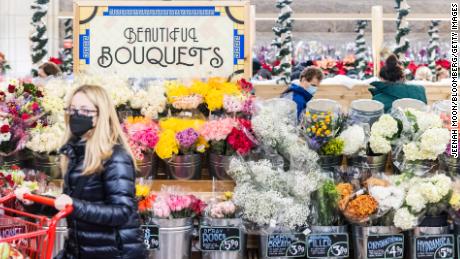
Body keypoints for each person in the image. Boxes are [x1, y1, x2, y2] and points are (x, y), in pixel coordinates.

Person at [16, 85, 147, 259]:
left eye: (85, 110)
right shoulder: (76, 153)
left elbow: (121, 212)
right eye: (73, 110)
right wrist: (32, 201)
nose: (76, 116)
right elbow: (69, 204)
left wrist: (74, 205)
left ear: (102, 115)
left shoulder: (115, 156)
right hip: (81, 249)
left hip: (114, 252)